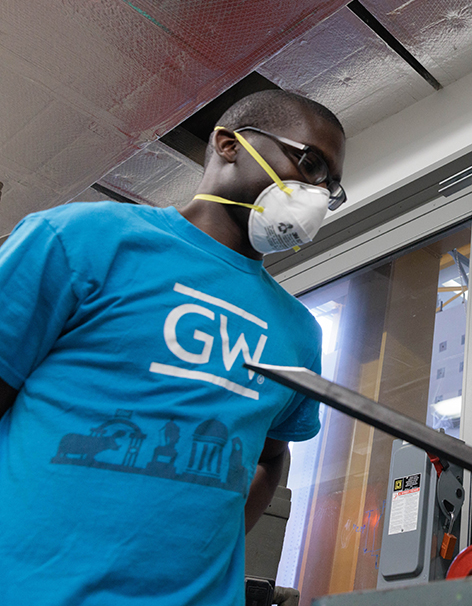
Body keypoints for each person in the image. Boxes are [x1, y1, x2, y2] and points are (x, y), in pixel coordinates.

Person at [0, 90, 347, 604]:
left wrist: (208, 549)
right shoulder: (81, 239)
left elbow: (272, 456)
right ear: (229, 145)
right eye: (308, 162)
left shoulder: (298, 333)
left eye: (330, 185)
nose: (316, 190)